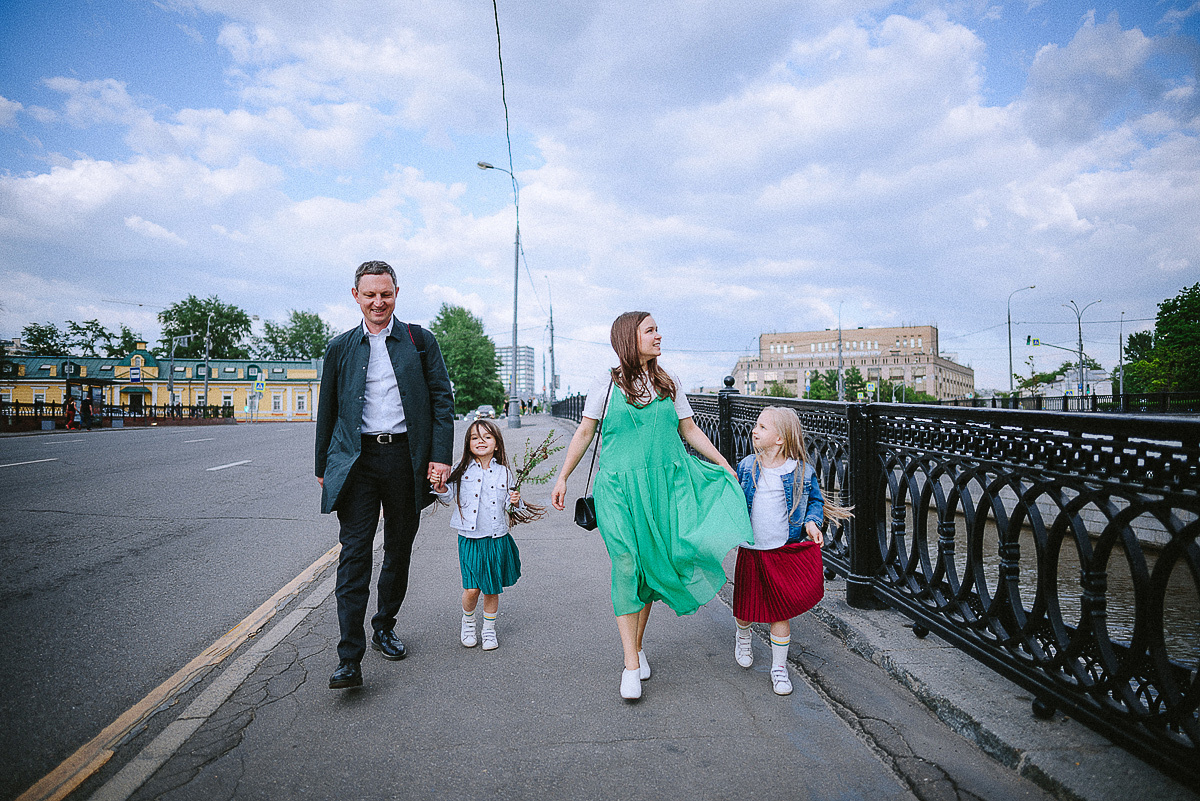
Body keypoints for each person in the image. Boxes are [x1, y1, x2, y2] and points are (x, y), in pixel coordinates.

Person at [551, 311, 752, 700]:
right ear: (630, 337)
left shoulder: (668, 381)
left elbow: (689, 429)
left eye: (658, 329)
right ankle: (630, 666)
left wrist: (723, 463)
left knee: (647, 573)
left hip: (662, 489)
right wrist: (562, 477)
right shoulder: (605, 384)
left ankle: (637, 646)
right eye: (650, 330)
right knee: (627, 565)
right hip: (618, 491)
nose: (659, 335)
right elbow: (585, 431)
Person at [315, 260, 456, 690]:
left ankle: (384, 626)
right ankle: (348, 657)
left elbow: (441, 401)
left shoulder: (419, 340)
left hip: (405, 460)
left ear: (397, 293)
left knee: (398, 548)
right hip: (358, 462)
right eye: (370, 294)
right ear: (355, 295)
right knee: (354, 553)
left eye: (386, 293)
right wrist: (323, 465)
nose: (379, 301)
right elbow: (329, 410)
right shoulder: (340, 348)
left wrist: (439, 457)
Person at [732, 407, 853, 695]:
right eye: (756, 425)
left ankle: (779, 669)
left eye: (762, 427)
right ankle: (743, 636)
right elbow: (734, 497)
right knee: (745, 609)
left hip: (781, 552)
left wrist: (812, 523)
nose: (755, 430)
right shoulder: (747, 466)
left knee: (780, 612)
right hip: (751, 550)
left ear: (780, 439)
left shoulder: (800, 471)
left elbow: (814, 501)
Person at [431, 418, 527, 651]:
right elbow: (446, 496)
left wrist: (515, 501)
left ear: (496, 444)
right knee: (472, 588)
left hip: (496, 537)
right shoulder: (459, 469)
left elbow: (511, 506)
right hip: (469, 537)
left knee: (491, 588)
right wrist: (439, 485)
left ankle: (489, 630)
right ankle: (468, 622)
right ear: (468, 444)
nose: (480, 441)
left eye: (487, 437)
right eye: (475, 438)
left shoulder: (504, 473)